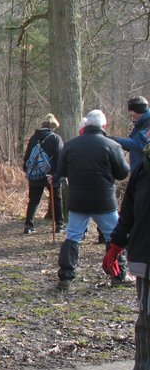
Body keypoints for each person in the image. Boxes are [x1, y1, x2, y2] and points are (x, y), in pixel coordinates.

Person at [55, 109, 129, 290]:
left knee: (72, 237)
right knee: (114, 236)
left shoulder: (71, 145)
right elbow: (122, 173)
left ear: (86, 125)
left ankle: (66, 277)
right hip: (104, 201)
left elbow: (61, 172)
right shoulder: (112, 146)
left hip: (78, 200)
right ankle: (118, 274)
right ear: (103, 126)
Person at [104, 144, 150, 370]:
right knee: (148, 318)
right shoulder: (144, 167)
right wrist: (116, 245)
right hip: (146, 253)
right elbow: (129, 211)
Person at [22, 113, 64, 234]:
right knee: (56, 199)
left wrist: (28, 170)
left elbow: (27, 157)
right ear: (53, 126)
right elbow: (60, 157)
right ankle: (59, 225)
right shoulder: (55, 138)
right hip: (51, 175)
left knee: (34, 200)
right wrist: (58, 174)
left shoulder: (33, 138)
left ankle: (28, 225)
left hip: (35, 174)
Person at [113, 96, 150, 174]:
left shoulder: (148, 123)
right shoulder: (140, 123)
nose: (130, 114)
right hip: (138, 171)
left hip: (145, 174)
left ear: (139, 110)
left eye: (131, 111)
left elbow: (141, 144)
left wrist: (115, 140)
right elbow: (131, 144)